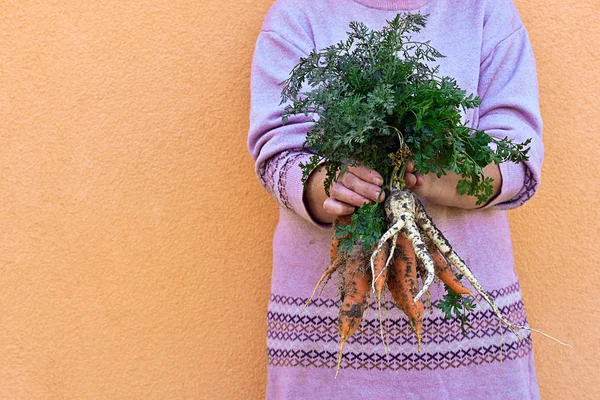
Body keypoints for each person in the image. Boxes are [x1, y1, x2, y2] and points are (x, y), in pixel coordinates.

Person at [248, 0, 543, 398]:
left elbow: (516, 158)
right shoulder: (297, 12)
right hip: (325, 342)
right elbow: (276, 152)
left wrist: (434, 176)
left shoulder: (485, 10)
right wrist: (326, 184)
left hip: (471, 348)